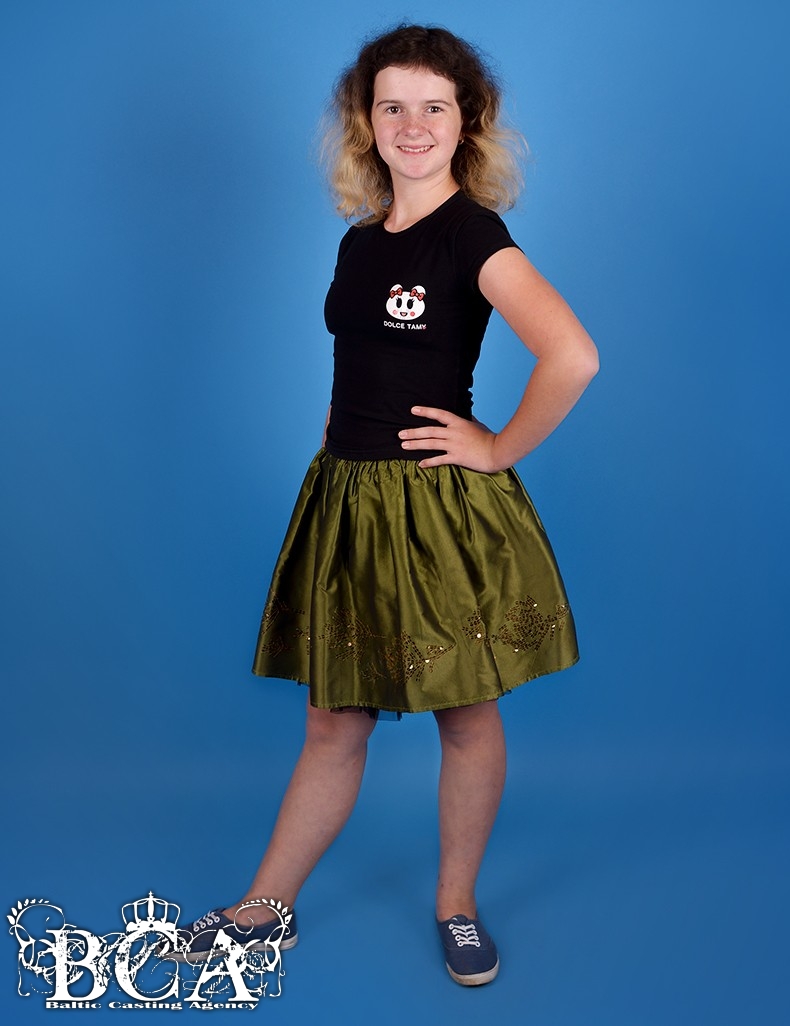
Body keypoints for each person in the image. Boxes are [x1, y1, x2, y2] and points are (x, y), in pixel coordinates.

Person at [178, 24, 598, 986]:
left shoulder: (473, 235)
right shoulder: (361, 240)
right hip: (349, 500)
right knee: (334, 723)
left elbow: (573, 355)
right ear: (365, 122)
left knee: (466, 715)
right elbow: (364, 356)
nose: (413, 125)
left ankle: (456, 905)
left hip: (436, 513)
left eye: (433, 107)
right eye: (392, 106)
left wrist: (495, 447)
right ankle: (263, 911)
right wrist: (341, 432)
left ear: (467, 121)